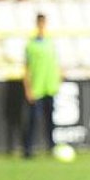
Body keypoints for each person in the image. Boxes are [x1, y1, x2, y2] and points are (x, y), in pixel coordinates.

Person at [23, 13, 61, 158]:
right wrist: (28, 88)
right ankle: (29, 149)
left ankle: (51, 147)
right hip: (36, 87)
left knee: (50, 119)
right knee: (33, 119)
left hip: (49, 86)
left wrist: (58, 79)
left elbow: (55, 64)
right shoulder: (31, 45)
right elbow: (26, 68)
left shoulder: (50, 42)